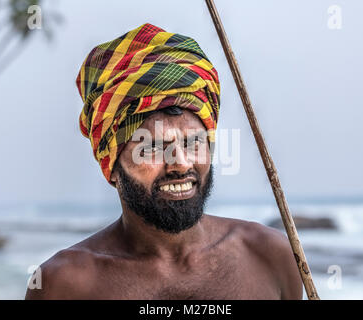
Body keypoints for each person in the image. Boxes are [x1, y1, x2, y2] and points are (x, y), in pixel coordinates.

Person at [25, 23, 302, 300]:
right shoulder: (64, 285)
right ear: (112, 167)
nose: (180, 164)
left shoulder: (271, 256)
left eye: (193, 142)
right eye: (154, 147)